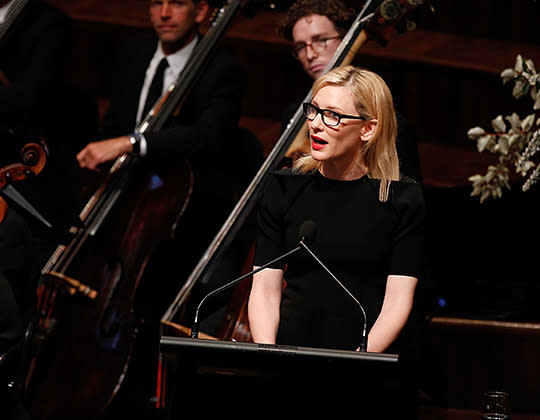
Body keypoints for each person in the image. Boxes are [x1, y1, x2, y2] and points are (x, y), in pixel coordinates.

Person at [73, 0, 260, 416]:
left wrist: (133, 143)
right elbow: (117, 123)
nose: (164, 12)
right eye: (156, 2)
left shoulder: (221, 68)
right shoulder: (134, 53)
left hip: (180, 211)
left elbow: (209, 139)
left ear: (201, 11)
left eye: (177, 2)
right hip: (125, 199)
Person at [247, 65, 425, 418]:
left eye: (332, 116)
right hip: (289, 364)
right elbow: (265, 288)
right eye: (313, 110)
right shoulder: (283, 190)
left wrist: (358, 362)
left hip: (364, 370)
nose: (315, 124)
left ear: (369, 128)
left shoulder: (402, 201)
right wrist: (268, 358)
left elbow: (397, 301)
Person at [276, 0, 423, 182]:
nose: (310, 54)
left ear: (345, 39)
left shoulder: (386, 123)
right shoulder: (293, 114)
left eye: (321, 40)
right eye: (300, 46)